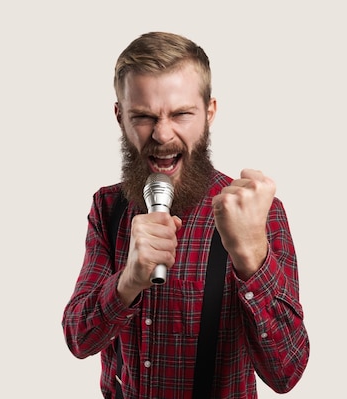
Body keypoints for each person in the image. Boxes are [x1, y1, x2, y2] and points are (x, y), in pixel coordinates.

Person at [61, 32, 309, 399]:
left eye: (181, 114)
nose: (162, 134)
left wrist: (251, 256)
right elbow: (79, 340)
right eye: (143, 116)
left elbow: (285, 373)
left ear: (209, 112)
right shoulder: (108, 206)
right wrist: (127, 282)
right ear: (120, 117)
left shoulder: (255, 210)